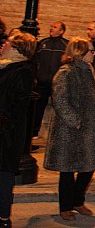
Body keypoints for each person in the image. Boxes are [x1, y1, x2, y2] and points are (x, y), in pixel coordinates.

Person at [44, 38, 95, 221]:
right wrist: (76, 121)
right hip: (69, 131)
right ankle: (66, 206)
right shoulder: (66, 72)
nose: (94, 54)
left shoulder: (88, 70)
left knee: (89, 167)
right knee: (68, 169)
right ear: (80, 51)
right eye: (91, 51)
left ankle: (78, 200)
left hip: (88, 129)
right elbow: (60, 100)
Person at [0, 30, 36, 228]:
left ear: (16, 49)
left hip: (7, 135)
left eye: (7, 43)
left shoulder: (22, 71)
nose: (2, 45)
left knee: (4, 175)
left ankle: (4, 218)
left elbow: (17, 107)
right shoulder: (5, 67)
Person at [32, 21, 69, 138]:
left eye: (55, 27)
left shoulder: (66, 45)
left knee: (59, 108)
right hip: (42, 83)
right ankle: (33, 133)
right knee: (37, 109)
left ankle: (59, 134)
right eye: (51, 26)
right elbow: (35, 61)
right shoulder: (43, 43)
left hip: (57, 84)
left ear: (61, 31)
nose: (51, 28)